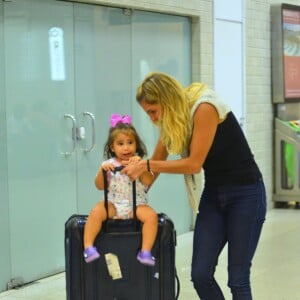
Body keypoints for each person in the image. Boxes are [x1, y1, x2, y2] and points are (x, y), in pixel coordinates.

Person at [121, 72, 267, 299]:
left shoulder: (204, 107)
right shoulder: (172, 122)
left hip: (246, 193)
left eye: (153, 111)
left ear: (167, 101)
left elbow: (193, 164)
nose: (151, 119)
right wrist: (122, 179)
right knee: (200, 274)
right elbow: (150, 174)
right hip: (214, 195)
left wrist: (146, 164)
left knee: (237, 278)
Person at [83, 113, 158, 266]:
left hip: (135, 206)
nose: (126, 147)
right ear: (112, 147)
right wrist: (102, 172)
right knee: (97, 211)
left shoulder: (140, 163)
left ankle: (145, 252)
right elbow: (99, 186)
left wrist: (142, 168)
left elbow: (149, 181)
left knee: (151, 216)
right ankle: (88, 247)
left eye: (130, 142)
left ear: (136, 144)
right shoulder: (108, 164)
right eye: (120, 143)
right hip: (113, 206)